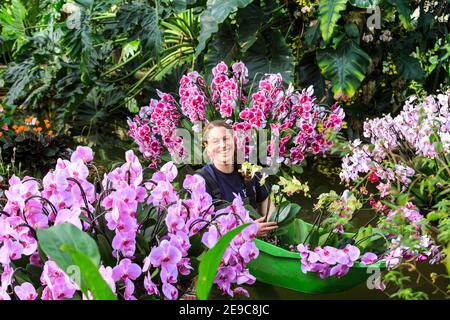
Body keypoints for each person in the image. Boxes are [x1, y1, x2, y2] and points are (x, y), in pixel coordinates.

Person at [195, 120, 278, 237]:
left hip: (260, 247)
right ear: (206, 146)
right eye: (215, 141)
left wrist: (273, 228)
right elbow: (201, 227)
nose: (222, 145)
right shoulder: (202, 181)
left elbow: (269, 211)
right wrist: (247, 231)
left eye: (226, 139)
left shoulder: (249, 170)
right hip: (223, 251)